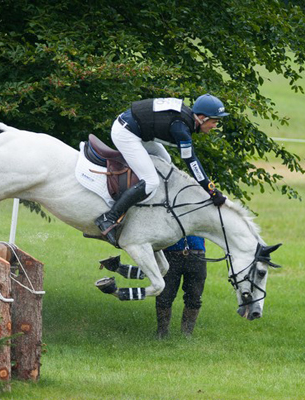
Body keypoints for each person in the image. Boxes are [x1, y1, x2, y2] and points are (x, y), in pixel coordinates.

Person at [95, 94, 229, 247]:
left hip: (137, 130)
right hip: (126, 134)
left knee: (167, 162)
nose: (214, 126)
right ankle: (109, 218)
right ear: (202, 118)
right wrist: (211, 190)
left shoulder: (187, 120)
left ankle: (155, 208)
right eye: (214, 121)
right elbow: (192, 163)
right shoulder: (181, 128)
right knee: (151, 181)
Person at [156, 236, 207, 338]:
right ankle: (162, 332)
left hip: (197, 256)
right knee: (164, 296)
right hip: (170, 255)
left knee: (194, 297)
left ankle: (187, 334)